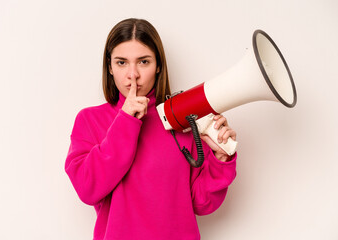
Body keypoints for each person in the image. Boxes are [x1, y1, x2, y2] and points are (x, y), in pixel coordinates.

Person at [65, 18, 237, 240]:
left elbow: (202, 204)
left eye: (143, 62)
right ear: (109, 67)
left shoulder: (181, 118)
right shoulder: (90, 120)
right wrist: (126, 120)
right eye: (121, 63)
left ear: (158, 67)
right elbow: (88, 188)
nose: (133, 74)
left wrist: (221, 160)